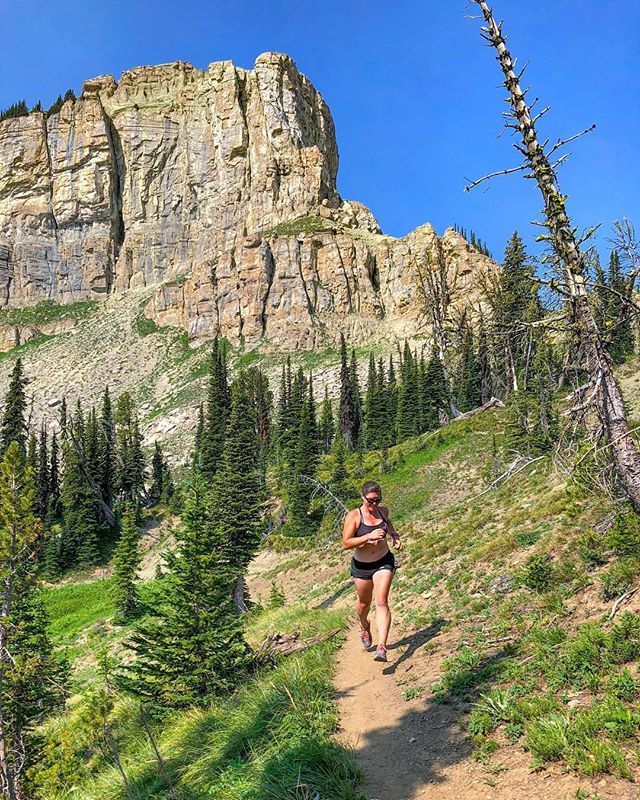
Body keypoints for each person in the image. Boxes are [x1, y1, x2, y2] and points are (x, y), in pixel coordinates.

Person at [342, 480, 402, 662]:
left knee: (381, 602)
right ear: (363, 497)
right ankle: (364, 626)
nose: (374, 504)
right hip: (362, 567)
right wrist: (368, 536)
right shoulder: (354, 516)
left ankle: (382, 647)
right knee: (363, 604)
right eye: (371, 500)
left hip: (384, 561)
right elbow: (345, 543)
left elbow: (388, 523)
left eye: (378, 500)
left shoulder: (383, 511)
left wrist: (394, 535)